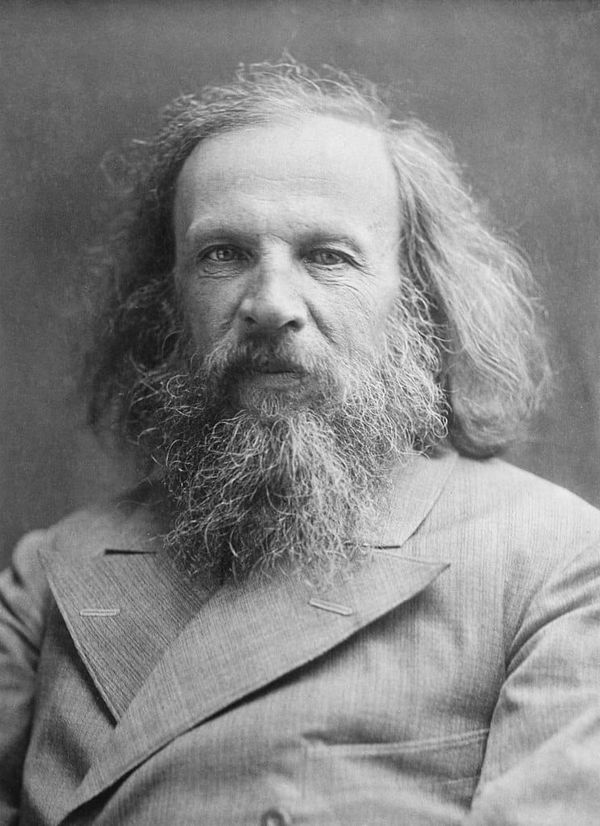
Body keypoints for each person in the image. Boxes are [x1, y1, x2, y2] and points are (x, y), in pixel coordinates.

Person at [1, 60, 599, 826]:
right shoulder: (51, 574)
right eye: (223, 254)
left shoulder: (556, 565)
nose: (272, 304)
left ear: (416, 297)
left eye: (328, 256)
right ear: (167, 301)